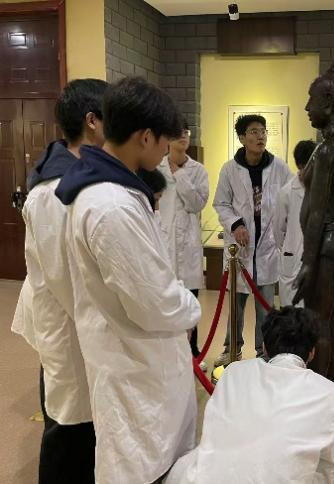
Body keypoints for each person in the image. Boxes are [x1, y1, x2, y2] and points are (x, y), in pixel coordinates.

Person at [55, 76, 201, 484]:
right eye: (164, 141)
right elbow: (154, 301)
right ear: (145, 137)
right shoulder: (112, 206)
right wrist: (191, 307)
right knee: (139, 463)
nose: (166, 149)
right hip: (134, 362)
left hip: (135, 353)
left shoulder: (115, 189)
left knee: (150, 456)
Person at [12, 78, 108, 484]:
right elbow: (63, 276)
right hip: (68, 323)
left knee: (78, 420)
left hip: (77, 322)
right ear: (92, 121)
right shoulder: (55, 190)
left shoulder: (80, 175)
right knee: (68, 426)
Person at [164, 306, 334, 484]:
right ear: (312, 352)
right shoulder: (328, 391)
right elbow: (327, 468)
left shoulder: (233, 371)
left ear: (264, 347)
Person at [213, 114, 292, 366]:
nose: (260, 136)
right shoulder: (229, 169)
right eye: (254, 131)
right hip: (240, 251)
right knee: (235, 306)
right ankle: (232, 349)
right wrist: (236, 224)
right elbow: (221, 203)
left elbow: (291, 200)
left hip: (267, 249)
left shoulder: (280, 168)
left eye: (263, 131)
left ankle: (264, 352)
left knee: (265, 309)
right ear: (242, 138)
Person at [293, 62, 334, 382]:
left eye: (311, 99)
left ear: (327, 103)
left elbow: (317, 211)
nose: (306, 107)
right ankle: (327, 381)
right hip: (333, 239)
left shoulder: (330, 149)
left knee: (319, 322)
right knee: (327, 320)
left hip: (326, 243)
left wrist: (307, 261)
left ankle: (320, 388)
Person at [157, 119, 209, 369]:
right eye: (177, 133)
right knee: (166, 300)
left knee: (190, 301)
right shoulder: (156, 168)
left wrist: (179, 174)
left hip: (188, 247)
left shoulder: (198, 170)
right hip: (164, 243)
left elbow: (196, 203)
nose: (183, 136)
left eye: (186, 132)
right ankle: (168, 351)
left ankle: (192, 350)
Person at [273, 139, 317, 307]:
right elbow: (279, 230)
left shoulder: (324, 190)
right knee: (292, 312)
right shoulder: (286, 193)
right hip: (292, 259)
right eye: (310, 165)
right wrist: (290, 247)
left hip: (317, 261)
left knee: (314, 311)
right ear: (300, 165)